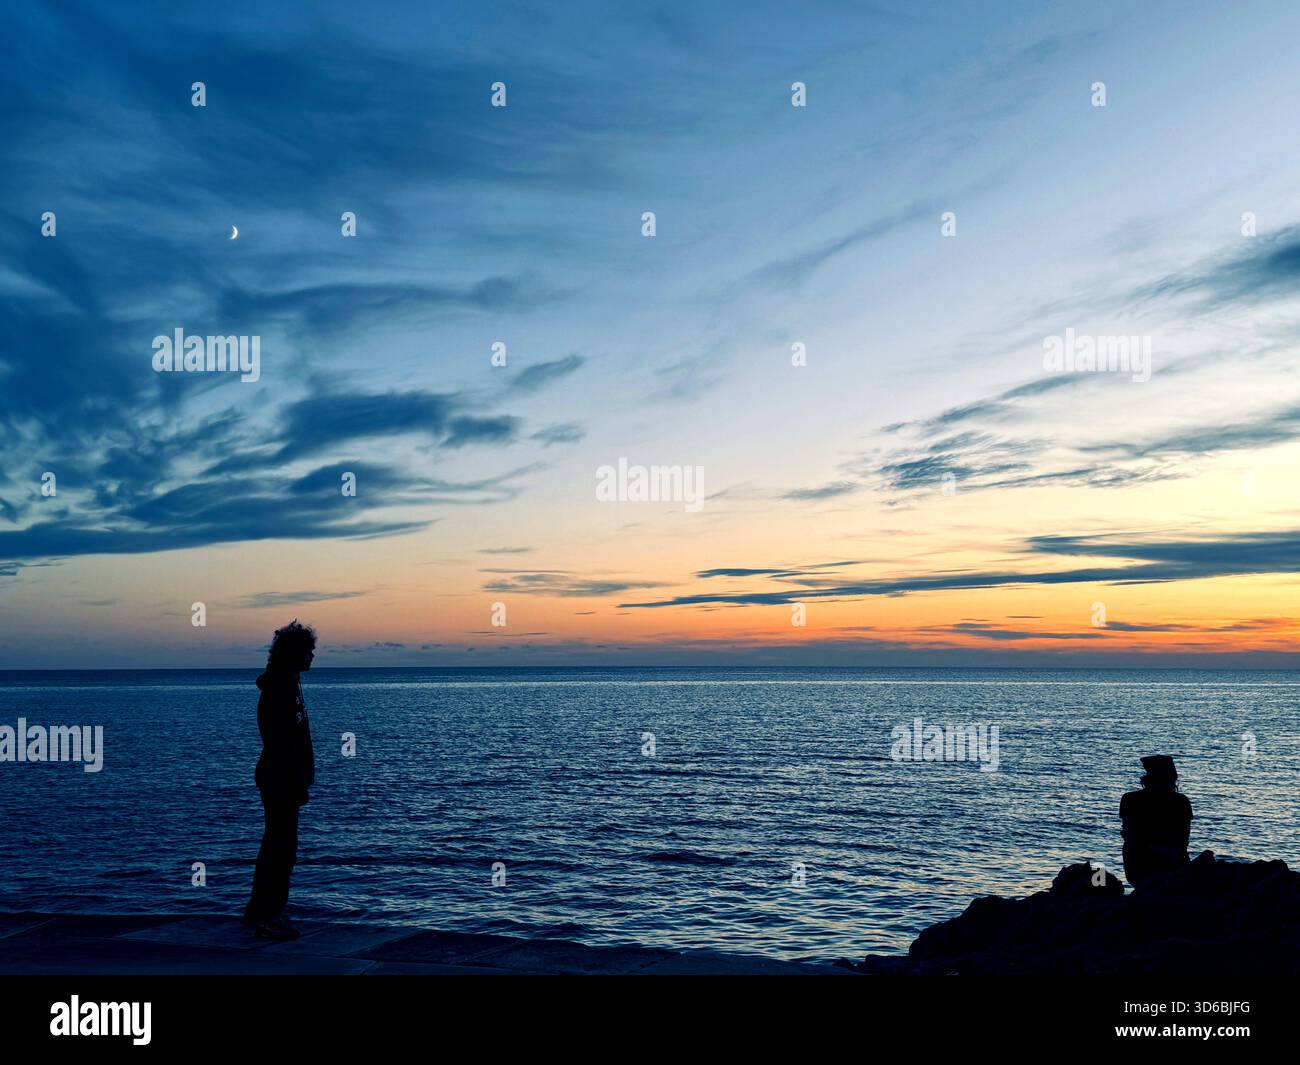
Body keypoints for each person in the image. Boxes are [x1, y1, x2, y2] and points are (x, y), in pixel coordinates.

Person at [241, 620, 317, 939]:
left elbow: (299, 734)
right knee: (279, 846)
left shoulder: (291, 682)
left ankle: (264, 910)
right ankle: (266, 915)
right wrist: (295, 775)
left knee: (281, 844)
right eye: (308, 650)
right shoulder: (279, 687)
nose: (312, 656)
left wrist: (306, 769)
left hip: (286, 775)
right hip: (280, 777)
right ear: (293, 653)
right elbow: (279, 738)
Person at [1120, 754, 1191, 888]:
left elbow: (1128, 833)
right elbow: (1183, 840)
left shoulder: (1130, 799)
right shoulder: (1181, 801)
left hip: (1138, 865)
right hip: (1171, 864)